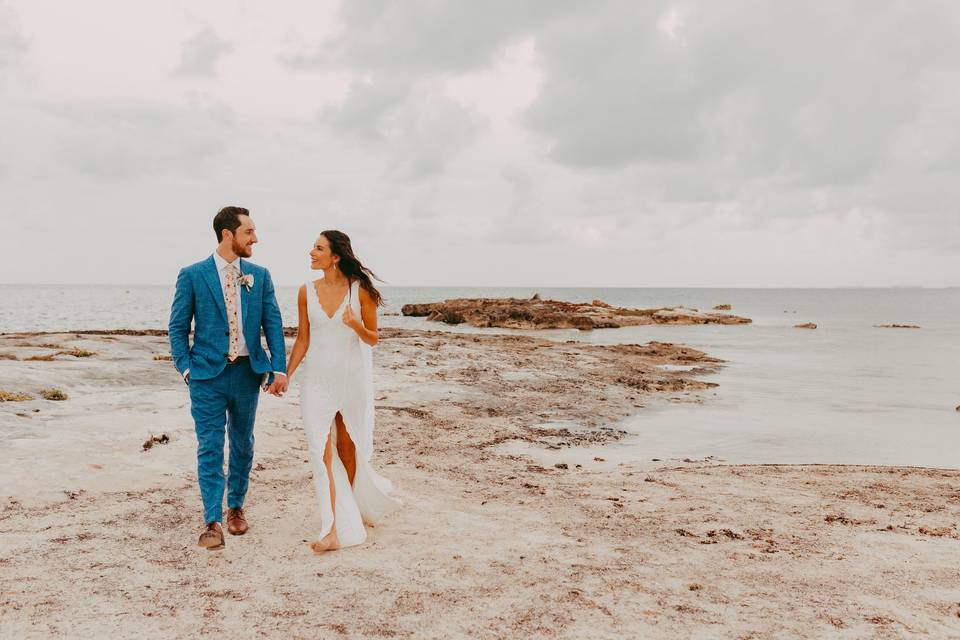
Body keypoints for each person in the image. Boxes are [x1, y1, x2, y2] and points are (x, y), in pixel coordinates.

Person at [168, 206, 288, 550]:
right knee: (209, 445)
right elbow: (178, 327)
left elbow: (273, 324)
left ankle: (235, 505)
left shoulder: (260, 275)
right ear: (227, 235)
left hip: (249, 374)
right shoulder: (192, 275)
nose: (255, 238)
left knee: (242, 442)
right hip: (206, 375)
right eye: (249, 232)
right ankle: (212, 520)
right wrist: (186, 367)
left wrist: (278, 368)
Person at [286, 230, 401, 552]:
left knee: (349, 449)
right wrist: (285, 375)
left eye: (318, 248)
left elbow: (373, 338)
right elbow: (304, 339)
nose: (311, 252)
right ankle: (333, 527)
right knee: (319, 452)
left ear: (335, 256)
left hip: (351, 381)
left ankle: (348, 508)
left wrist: (354, 324)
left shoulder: (359, 290)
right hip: (317, 382)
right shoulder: (305, 291)